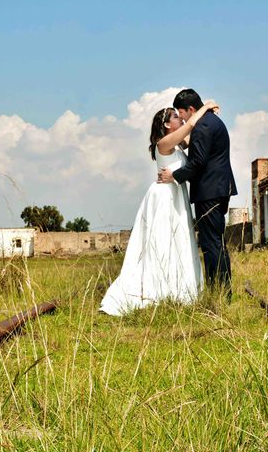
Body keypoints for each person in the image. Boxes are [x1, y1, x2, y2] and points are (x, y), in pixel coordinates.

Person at [99, 101, 217, 316]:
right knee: (163, 240)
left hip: (175, 194)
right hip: (164, 196)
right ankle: (156, 287)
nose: (179, 118)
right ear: (166, 124)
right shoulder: (164, 143)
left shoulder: (179, 143)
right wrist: (205, 107)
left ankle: (178, 287)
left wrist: (207, 118)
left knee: (178, 240)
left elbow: (196, 135)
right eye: (174, 117)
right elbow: (191, 124)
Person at [158, 89, 237, 299]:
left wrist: (174, 175)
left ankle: (218, 293)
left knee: (211, 246)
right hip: (218, 189)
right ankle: (224, 292)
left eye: (182, 113)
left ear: (191, 109)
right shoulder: (212, 122)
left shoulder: (202, 126)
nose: (182, 119)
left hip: (208, 192)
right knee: (217, 243)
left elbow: (198, 162)